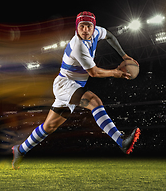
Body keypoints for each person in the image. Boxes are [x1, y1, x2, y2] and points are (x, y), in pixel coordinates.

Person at [12, 11, 141, 170]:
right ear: (76, 27)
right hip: (65, 84)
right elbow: (93, 73)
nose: (85, 29)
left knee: (49, 126)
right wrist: (116, 72)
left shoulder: (97, 32)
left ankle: (20, 149)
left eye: (89, 26)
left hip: (73, 87)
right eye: (82, 26)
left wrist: (125, 56)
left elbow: (110, 36)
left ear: (93, 27)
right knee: (94, 101)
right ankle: (121, 141)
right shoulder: (78, 45)